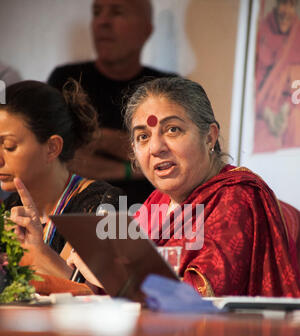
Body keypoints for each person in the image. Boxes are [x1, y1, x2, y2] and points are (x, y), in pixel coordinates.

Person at [69, 76, 300, 297]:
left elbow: (197, 297)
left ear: (209, 137)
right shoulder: (156, 202)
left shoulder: (237, 196)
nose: (156, 147)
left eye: (172, 130)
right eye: (143, 136)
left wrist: (111, 272)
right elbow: (109, 291)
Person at [48, 0, 176, 206]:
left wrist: (92, 139)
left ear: (146, 30)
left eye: (117, 12)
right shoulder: (67, 80)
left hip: (147, 221)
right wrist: (140, 164)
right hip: (76, 216)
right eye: (97, 12)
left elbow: (176, 157)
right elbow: (59, 157)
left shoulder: (169, 88)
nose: (102, 21)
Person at [0, 79, 123, 288]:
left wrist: (40, 253)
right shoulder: (9, 209)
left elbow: (108, 300)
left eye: (9, 146)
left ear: (52, 147)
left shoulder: (104, 204)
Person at [254, 0, 300, 152]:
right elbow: (255, 83)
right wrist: (267, 114)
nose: (286, 11)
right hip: (264, 108)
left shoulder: (297, 33)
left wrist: (287, 107)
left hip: (291, 103)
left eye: (291, 6)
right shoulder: (263, 31)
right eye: (283, 4)